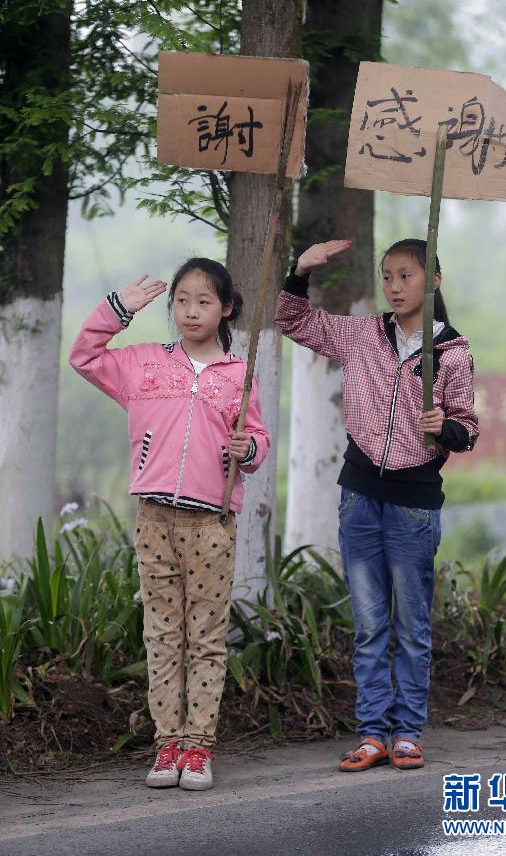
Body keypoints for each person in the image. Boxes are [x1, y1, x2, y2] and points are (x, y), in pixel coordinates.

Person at [275, 238, 478, 772]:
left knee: (411, 626)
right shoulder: (363, 334)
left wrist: (444, 427)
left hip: (414, 505)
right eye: (387, 276)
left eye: (406, 275)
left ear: (434, 280)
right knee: (369, 627)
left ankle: (407, 732)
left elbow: (467, 428)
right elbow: (293, 321)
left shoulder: (452, 353)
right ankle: (371, 733)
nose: (394, 286)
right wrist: (300, 271)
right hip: (360, 498)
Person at [70, 257, 269, 790]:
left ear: (227, 309)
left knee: (205, 637)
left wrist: (249, 448)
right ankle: (168, 746)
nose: (191, 311)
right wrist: (118, 309)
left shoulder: (239, 374)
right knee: (161, 635)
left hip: (211, 523)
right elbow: (84, 355)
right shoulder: (144, 364)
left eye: (204, 301)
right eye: (182, 300)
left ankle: (198, 747)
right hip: (154, 518)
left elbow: (257, 439)